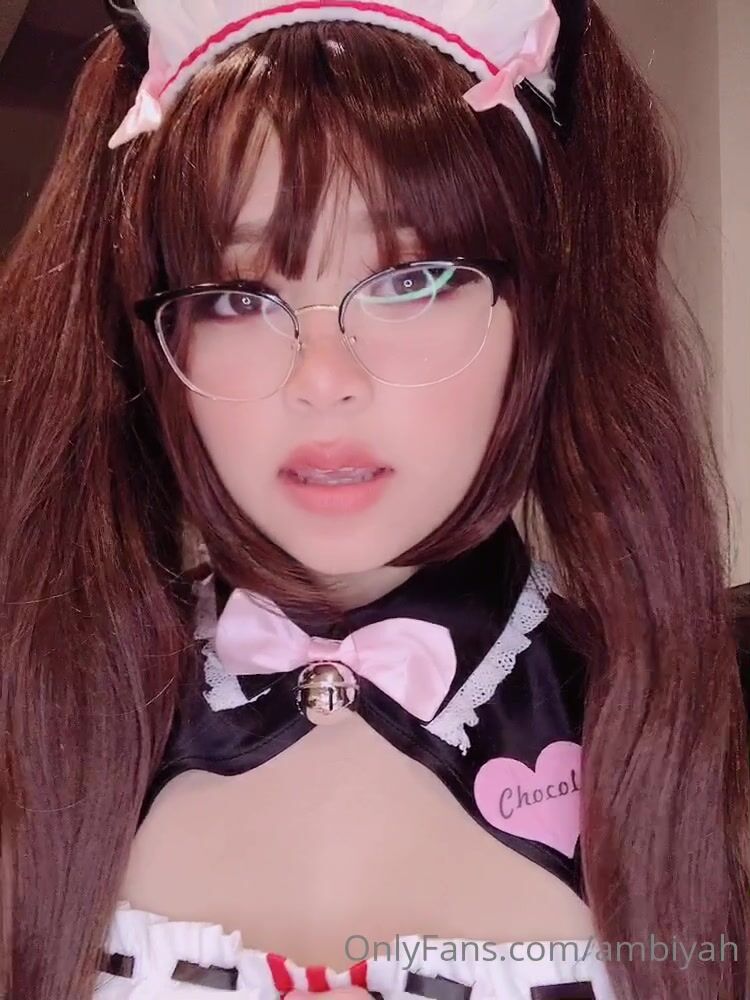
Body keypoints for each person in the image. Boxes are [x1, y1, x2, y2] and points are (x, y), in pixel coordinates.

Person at [0, 1, 748, 998]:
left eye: (414, 278)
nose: (324, 379)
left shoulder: (705, 750)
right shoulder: (40, 723)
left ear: (540, 307)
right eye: (236, 296)